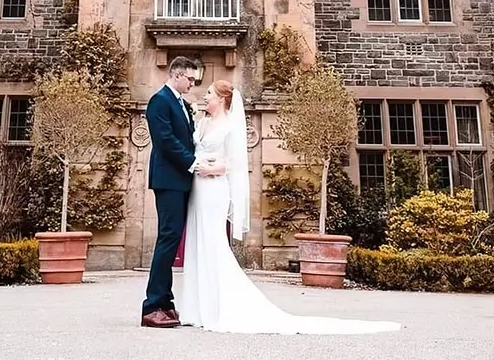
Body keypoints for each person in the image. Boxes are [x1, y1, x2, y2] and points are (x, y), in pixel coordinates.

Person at [179, 80, 402, 335]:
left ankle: (216, 307)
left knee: (213, 242)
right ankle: (197, 308)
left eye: (209, 93)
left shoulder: (230, 126)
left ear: (222, 99)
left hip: (214, 187)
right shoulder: (202, 122)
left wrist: (212, 168)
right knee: (197, 243)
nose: (204, 96)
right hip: (197, 189)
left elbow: (234, 164)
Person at [140, 56, 201, 328]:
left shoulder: (181, 103)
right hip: (168, 181)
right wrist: (193, 163)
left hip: (181, 181)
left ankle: (166, 302)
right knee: (167, 239)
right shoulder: (159, 101)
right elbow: (165, 141)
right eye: (190, 78)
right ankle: (152, 305)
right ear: (176, 75)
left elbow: (187, 138)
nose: (192, 84)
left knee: (172, 238)